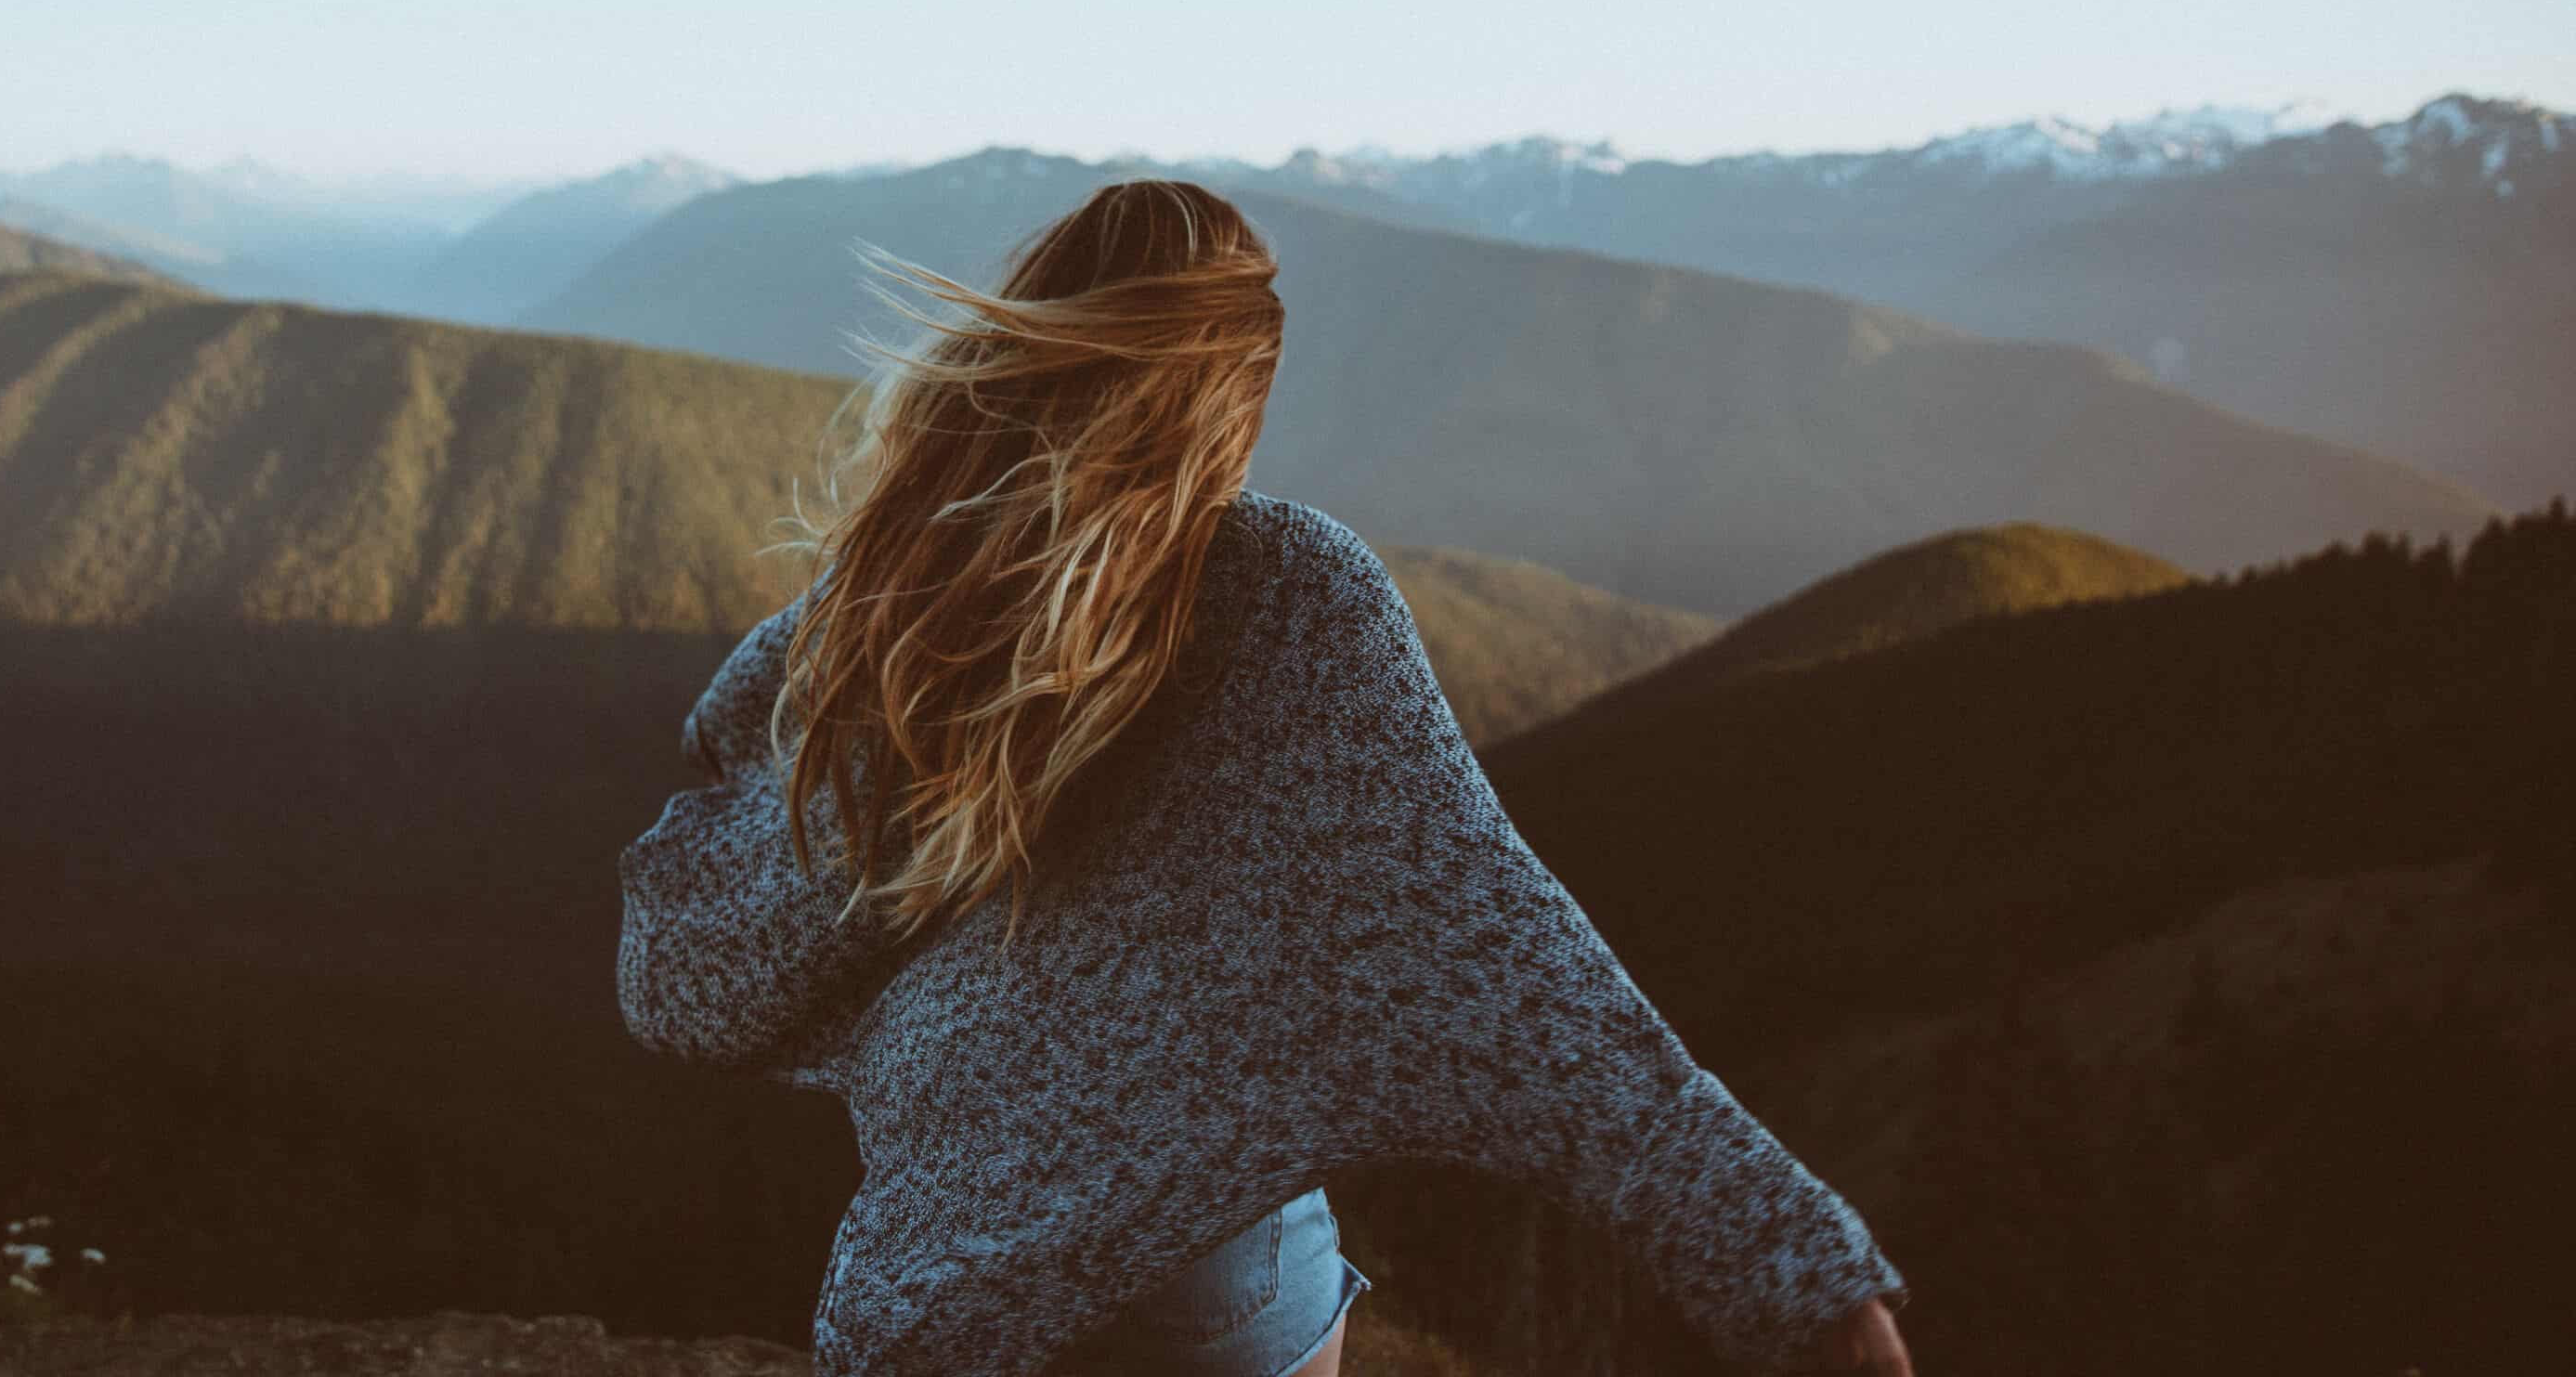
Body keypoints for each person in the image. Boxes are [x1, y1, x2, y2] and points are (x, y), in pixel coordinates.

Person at [618, 178, 1915, 1377]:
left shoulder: (877, 616)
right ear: (1234, 395)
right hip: (1213, 1305)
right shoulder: (1292, 591)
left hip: (931, 1309)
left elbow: (689, 979)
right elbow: (1529, 976)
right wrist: (1799, 1277)